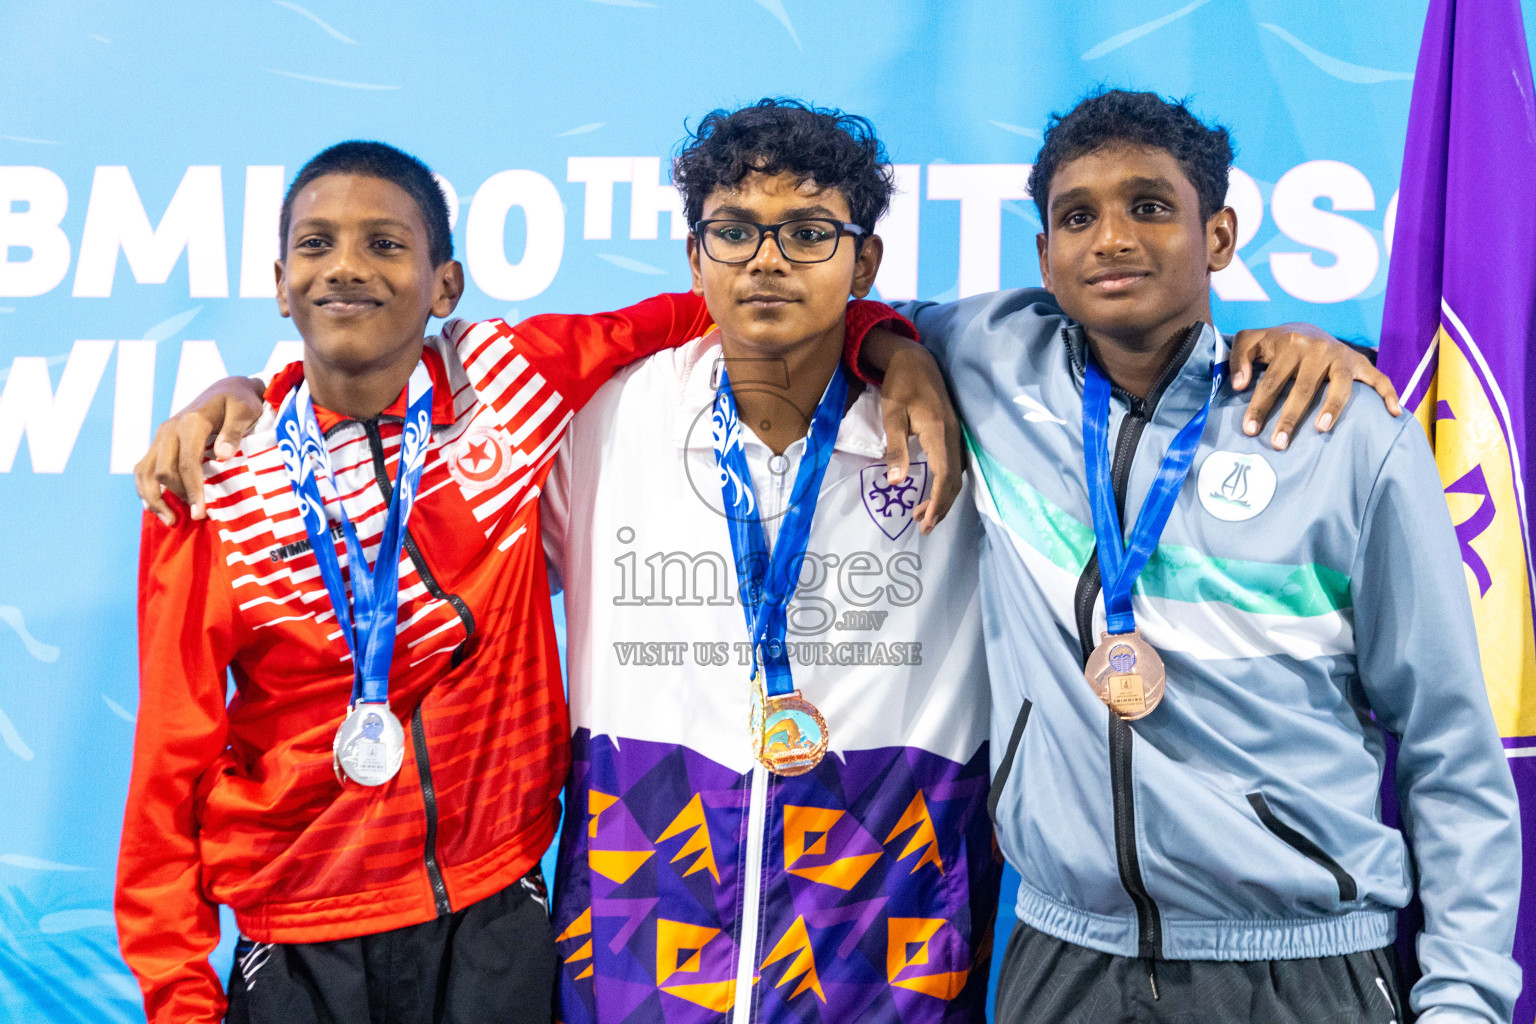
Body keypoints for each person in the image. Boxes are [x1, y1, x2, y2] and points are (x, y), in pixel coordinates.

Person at [138, 106, 1396, 1024]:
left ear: (866, 267)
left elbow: (1138, 369)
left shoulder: (970, 409)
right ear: (692, 260)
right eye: (733, 232)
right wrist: (246, 389)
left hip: (886, 933)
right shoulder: (595, 418)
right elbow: (386, 405)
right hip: (637, 935)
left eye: (809, 233)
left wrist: (1302, 344)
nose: (767, 259)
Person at [860, 89, 1522, 1023]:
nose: (1112, 238)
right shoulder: (990, 362)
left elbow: (1449, 744)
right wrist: (897, 355)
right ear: (1044, 255)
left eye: (1151, 206)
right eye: (1077, 216)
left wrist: (1464, 999)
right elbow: (830, 312)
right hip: (1062, 961)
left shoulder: (1342, 433)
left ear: (1218, 236)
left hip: (1300, 968)